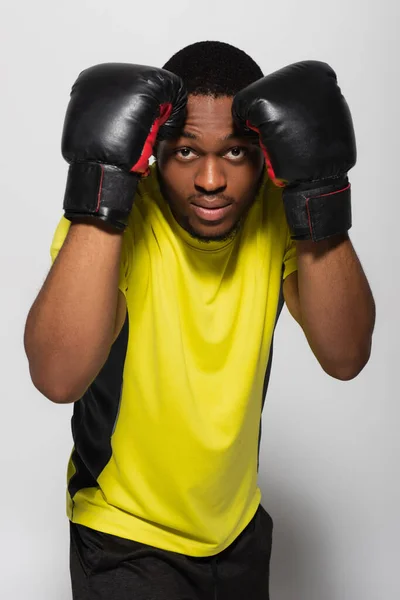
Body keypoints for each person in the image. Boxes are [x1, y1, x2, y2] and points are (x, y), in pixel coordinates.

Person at [24, 41, 376, 599]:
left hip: (237, 532)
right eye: (186, 152)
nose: (211, 179)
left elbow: (347, 354)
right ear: (153, 148)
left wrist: (317, 194)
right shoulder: (117, 220)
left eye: (235, 153)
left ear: (266, 152)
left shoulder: (277, 213)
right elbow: (56, 376)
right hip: (125, 538)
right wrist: (102, 191)